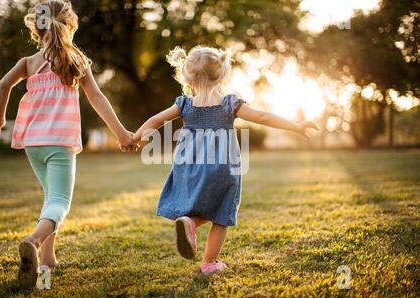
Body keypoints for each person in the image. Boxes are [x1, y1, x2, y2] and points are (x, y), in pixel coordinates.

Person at [133, 46, 318, 275]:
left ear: (188, 80)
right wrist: (296, 126)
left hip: (188, 167)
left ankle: (190, 222)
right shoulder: (230, 104)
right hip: (222, 167)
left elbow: (155, 119)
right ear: (221, 75)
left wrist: (135, 137)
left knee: (201, 205)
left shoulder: (184, 104)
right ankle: (209, 263)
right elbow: (262, 116)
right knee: (221, 213)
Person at [0, 0, 135, 288]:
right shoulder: (75, 59)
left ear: (37, 27)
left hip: (33, 143)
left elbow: (3, 85)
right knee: (59, 202)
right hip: (60, 142)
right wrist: (120, 133)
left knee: (50, 197)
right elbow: (96, 98)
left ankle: (47, 260)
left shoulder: (29, 63)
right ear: (70, 25)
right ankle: (33, 240)